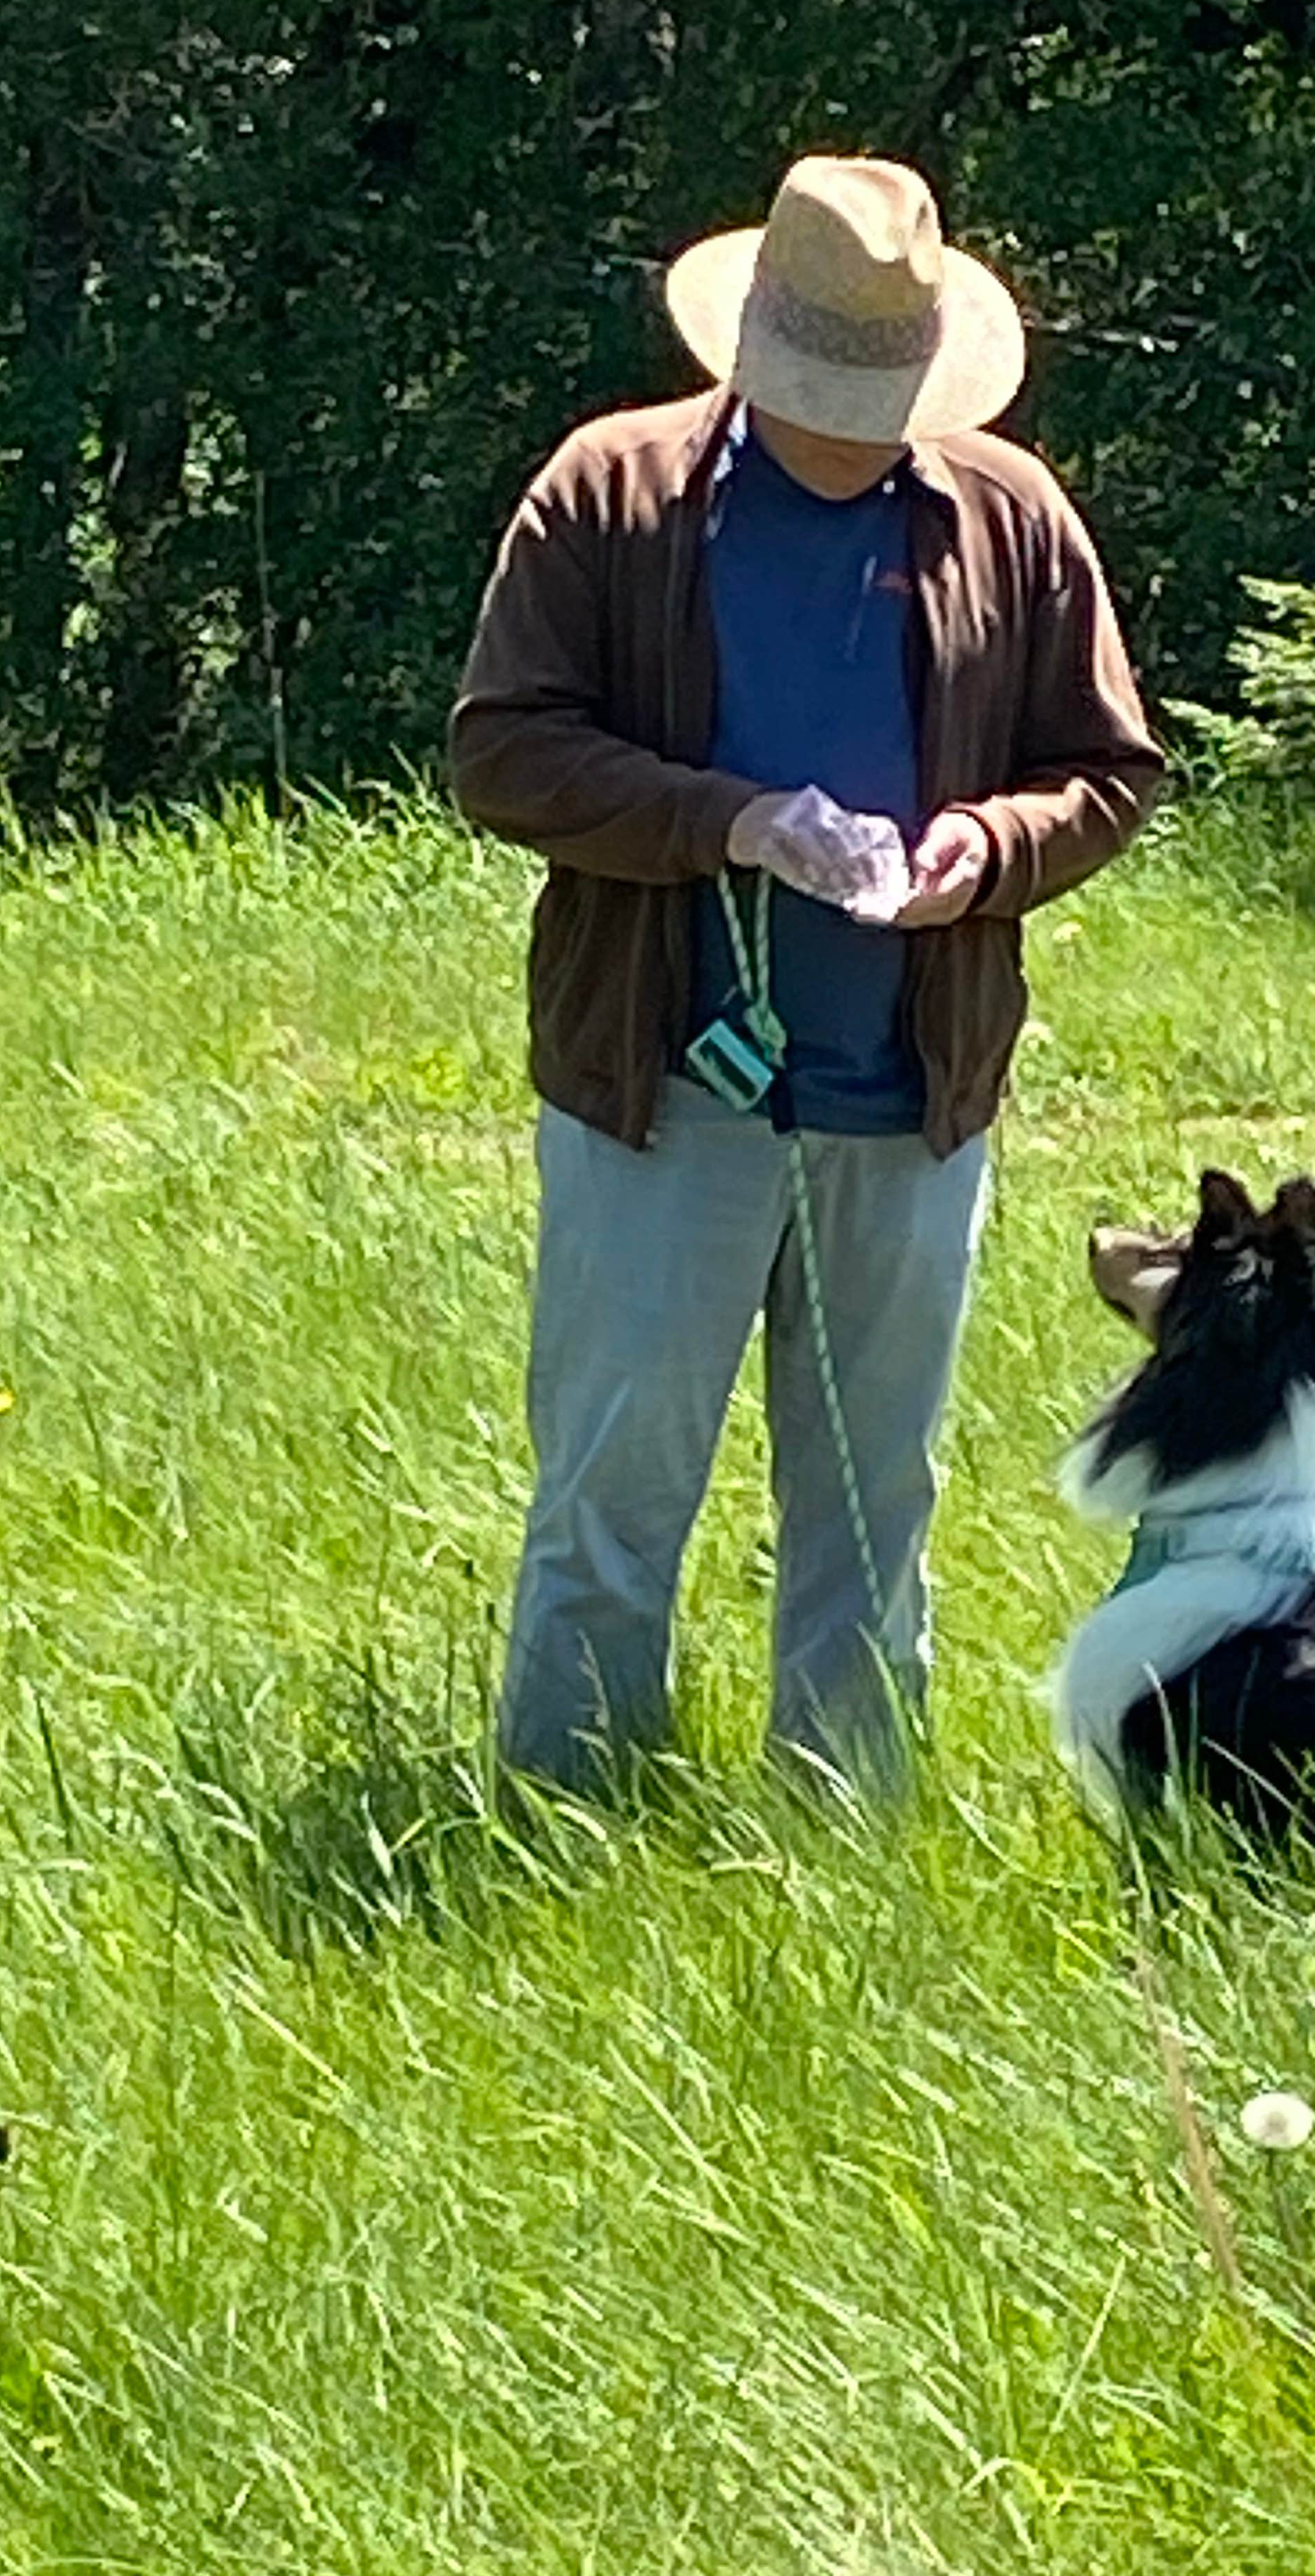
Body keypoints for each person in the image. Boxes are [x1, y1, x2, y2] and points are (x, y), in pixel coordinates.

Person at [450, 152, 1163, 1800]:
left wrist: (992, 848)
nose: (856, 429)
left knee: (874, 1508)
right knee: (612, 1503)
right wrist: (736, 824)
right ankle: (571, 1829)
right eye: (825, 394)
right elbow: (503, 756)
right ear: (749, 358)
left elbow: (1110, 769)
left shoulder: (1011, 514)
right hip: (660, 1090)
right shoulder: (609, 493)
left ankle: (846, 1847)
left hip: (912, 1100)